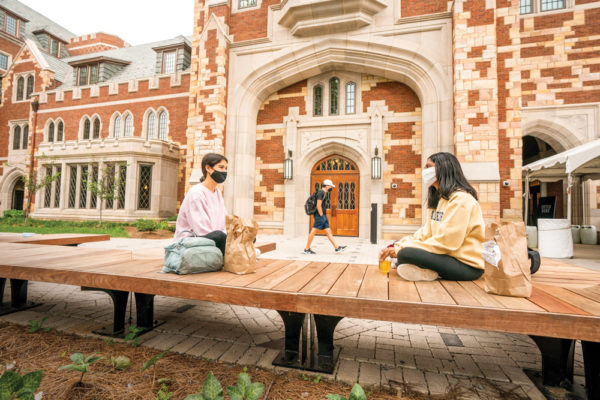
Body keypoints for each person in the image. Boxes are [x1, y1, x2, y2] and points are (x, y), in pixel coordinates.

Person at [379, 152, 485, 281]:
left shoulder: (461, 200)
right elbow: (425, 233)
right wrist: (396, 245)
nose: (424, 171)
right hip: (446, 257)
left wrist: (402, 249)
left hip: (466, 265)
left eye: (428, 166)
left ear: (443, 168)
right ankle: (427, 272)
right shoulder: (438, 199)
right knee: (401, 249)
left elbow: (447, 243)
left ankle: (426, 270)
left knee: (406, 254)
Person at [175, 153, 228, 255]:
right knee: (220, 236)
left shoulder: (217, 193)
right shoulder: (196, 193)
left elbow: (224, 222)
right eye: (221, 167)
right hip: (192, 241)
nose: (224, 171)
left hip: (212, 238)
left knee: (246, 236)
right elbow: (201, 230)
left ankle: (234, 254)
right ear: (208, 168)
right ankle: (234, 255)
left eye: (226, 168)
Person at [304, 179, 347, 254]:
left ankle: (337, 248)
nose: (331, 188)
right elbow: (318, 205)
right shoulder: (321, 193)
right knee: (313, 231)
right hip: (320, 215)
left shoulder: (322, 192)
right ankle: (307, 249)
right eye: (330, 186)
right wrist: (321, 215)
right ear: (327, 186)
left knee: (328, 231)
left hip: (323, 215)